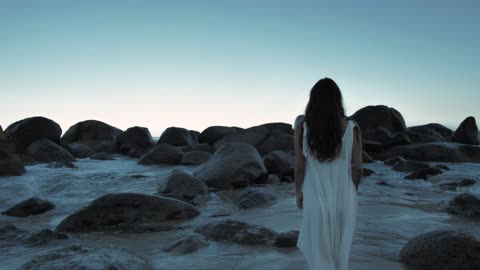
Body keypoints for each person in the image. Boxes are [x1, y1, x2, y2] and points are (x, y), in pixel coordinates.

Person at [294, 78, 363, 270]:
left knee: (320, 255)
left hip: (315, 197)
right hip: (345, 197)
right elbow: (357, 167)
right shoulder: (352, 127)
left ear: (313, 99)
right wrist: (353, 190)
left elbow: (299, 166)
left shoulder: (302, 125)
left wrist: (298, 191)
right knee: (340, 256)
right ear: (337, 100)